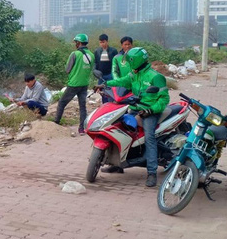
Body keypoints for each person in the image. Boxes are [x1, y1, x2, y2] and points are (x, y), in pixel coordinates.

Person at [96, 47, 169, 187]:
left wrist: (151, 110)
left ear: (135, 61)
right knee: (117, 129)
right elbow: (122, 81)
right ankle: (117, 164)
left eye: (130, 61)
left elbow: (164, 99)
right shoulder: (133, 74)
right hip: (135, 108)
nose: (128, 64)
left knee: (149, 138)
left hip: (150, 112)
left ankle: (152, 172)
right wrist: (104, 84)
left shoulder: (156, 77)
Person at [54, 33, 95, 135]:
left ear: (79, 43)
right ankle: (82, 129)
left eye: (76, 42)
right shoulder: (92, 55)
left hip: (74, 84)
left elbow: (67, 69)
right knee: (82, 106)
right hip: (84, 84)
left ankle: (56, 123)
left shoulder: (75, 54)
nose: (75, 44)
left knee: (62, 103)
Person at [94, 34, 118, 103]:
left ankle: (110, 105)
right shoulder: (97, 51)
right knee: (102, 91)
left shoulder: (113, 51)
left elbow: (116, 63)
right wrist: (94, 70)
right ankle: (104, 104)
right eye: (100, 42)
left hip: (110, 74)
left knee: (110, 91)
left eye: (103, 42)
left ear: (107, 42)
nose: (102, 44)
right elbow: (95, 62)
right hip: (101, 75)